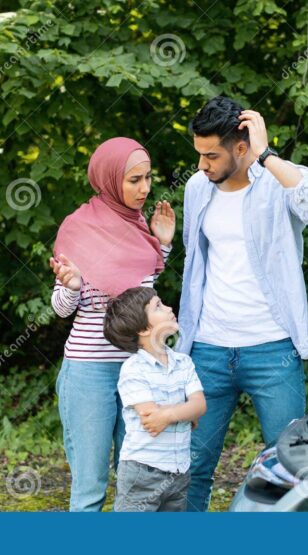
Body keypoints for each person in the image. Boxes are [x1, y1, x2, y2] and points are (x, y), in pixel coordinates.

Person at [176, 96, 308, 511]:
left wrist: (267, 156)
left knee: (290, 464)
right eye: (199, 155)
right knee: (193, 464)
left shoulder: (278, 182)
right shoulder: (198, 188)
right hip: (208, 350)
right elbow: (196, 261)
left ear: (241, 147)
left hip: (273, 351)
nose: (202, 165)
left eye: (211, 155)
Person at [49, 137, 176, 511]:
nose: (144, 188)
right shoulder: (77, 228)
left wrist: (162, 245)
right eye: (134, 180)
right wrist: (71, 288)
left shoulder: (140, 229)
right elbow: (60, 308)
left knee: (135, 482)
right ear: (108, 178)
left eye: (148, 178)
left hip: (139, 369)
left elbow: (141, 300)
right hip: (89, 371)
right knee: (90, 488)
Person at [103, 287, 206, 512]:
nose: (169, 308)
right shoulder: (134, 369)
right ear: (143, 328)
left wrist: (170, 414)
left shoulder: (183, 363)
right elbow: (151, 419)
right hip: (142, 474)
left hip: (179, 472)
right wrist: (184, 413)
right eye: (158, 306)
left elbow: (200, 405)